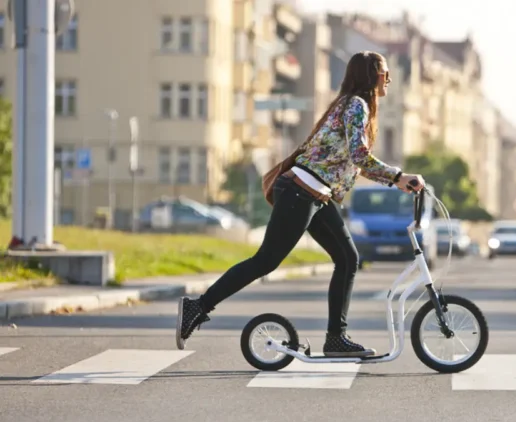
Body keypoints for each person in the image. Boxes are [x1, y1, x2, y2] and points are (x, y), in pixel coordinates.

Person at [175, 51, 425, 357]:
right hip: (301, 191)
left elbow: (351, 161)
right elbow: (359, 156)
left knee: (347, 258)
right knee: (266, 261)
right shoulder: (356, 105)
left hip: (315, 193)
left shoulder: (351, 105)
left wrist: (394, 179)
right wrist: (398, 176)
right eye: (385, 73)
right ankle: (197, 307)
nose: (388, 79)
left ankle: (336, 339)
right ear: (372, 75)